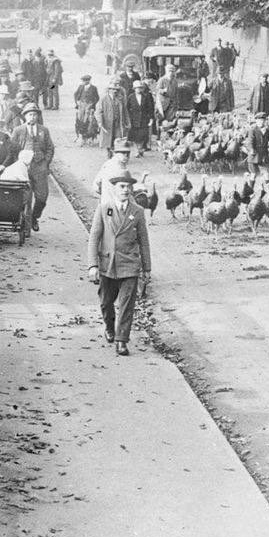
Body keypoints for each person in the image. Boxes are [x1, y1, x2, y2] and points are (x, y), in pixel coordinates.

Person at [86, 170, 151, 357]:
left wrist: (147, 268)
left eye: (128, 187)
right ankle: (109, 326)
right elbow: (94, 237)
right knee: (106, 302)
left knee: (126, 304)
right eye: (121, 186)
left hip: (129, 264)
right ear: (114, 189)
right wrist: (93, 265)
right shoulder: (104, 208)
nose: (125, 190)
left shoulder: (137, 211)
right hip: (108, 264)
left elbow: (143, 240)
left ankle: (122, 340)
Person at [7, 104, 54, 231]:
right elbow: (12, 149)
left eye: (34, 114)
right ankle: (26, 228)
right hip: (23, 169)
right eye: (30, 114)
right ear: (25, 116)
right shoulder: (18, 130)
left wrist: (46, 162)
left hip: (40, 168)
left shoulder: (44, 130)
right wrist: (17, 164)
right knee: (25, 198)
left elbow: (50, 148)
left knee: (42, 197)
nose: (32, 117)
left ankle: (34, 217)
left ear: (38, 116)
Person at [99, 78, 129, 154]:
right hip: (108, 122)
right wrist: (100, 122)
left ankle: (117, 152)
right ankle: (109, 152)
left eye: (116, 89)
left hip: (118, 122)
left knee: (118, 137)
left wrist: (127, 122)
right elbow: (99, 111)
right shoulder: (103, 99)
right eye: (112, 89)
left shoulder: (120, 99)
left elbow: (125, 111)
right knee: (109, 138)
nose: (114, 91)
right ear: (109, 90)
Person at [127, 80, 155, 156]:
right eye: (137, 88)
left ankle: (140, 148)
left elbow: (150, 108)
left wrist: (151, 118)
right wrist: (128, 118)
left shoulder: (146, 97)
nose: (138, 89)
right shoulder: (130, 97)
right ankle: (137, 150)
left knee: (142, 135)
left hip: (144, 119)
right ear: (134, 89)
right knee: (135, 136)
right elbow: (127, 108)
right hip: (134, 119)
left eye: (140, 88)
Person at [74, 74, 100, 145]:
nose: (84, 82)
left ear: (89, 80)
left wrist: (92, 105)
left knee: (89, 122)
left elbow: (97, 97)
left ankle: (89, 137)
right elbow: (75, 95)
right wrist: (77, 103)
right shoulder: (80, 87)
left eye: (86, 81)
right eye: (83, 81)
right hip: (81, 107)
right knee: (80, 121)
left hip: (89, 107)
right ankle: (81, 136)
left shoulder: (94, 88)